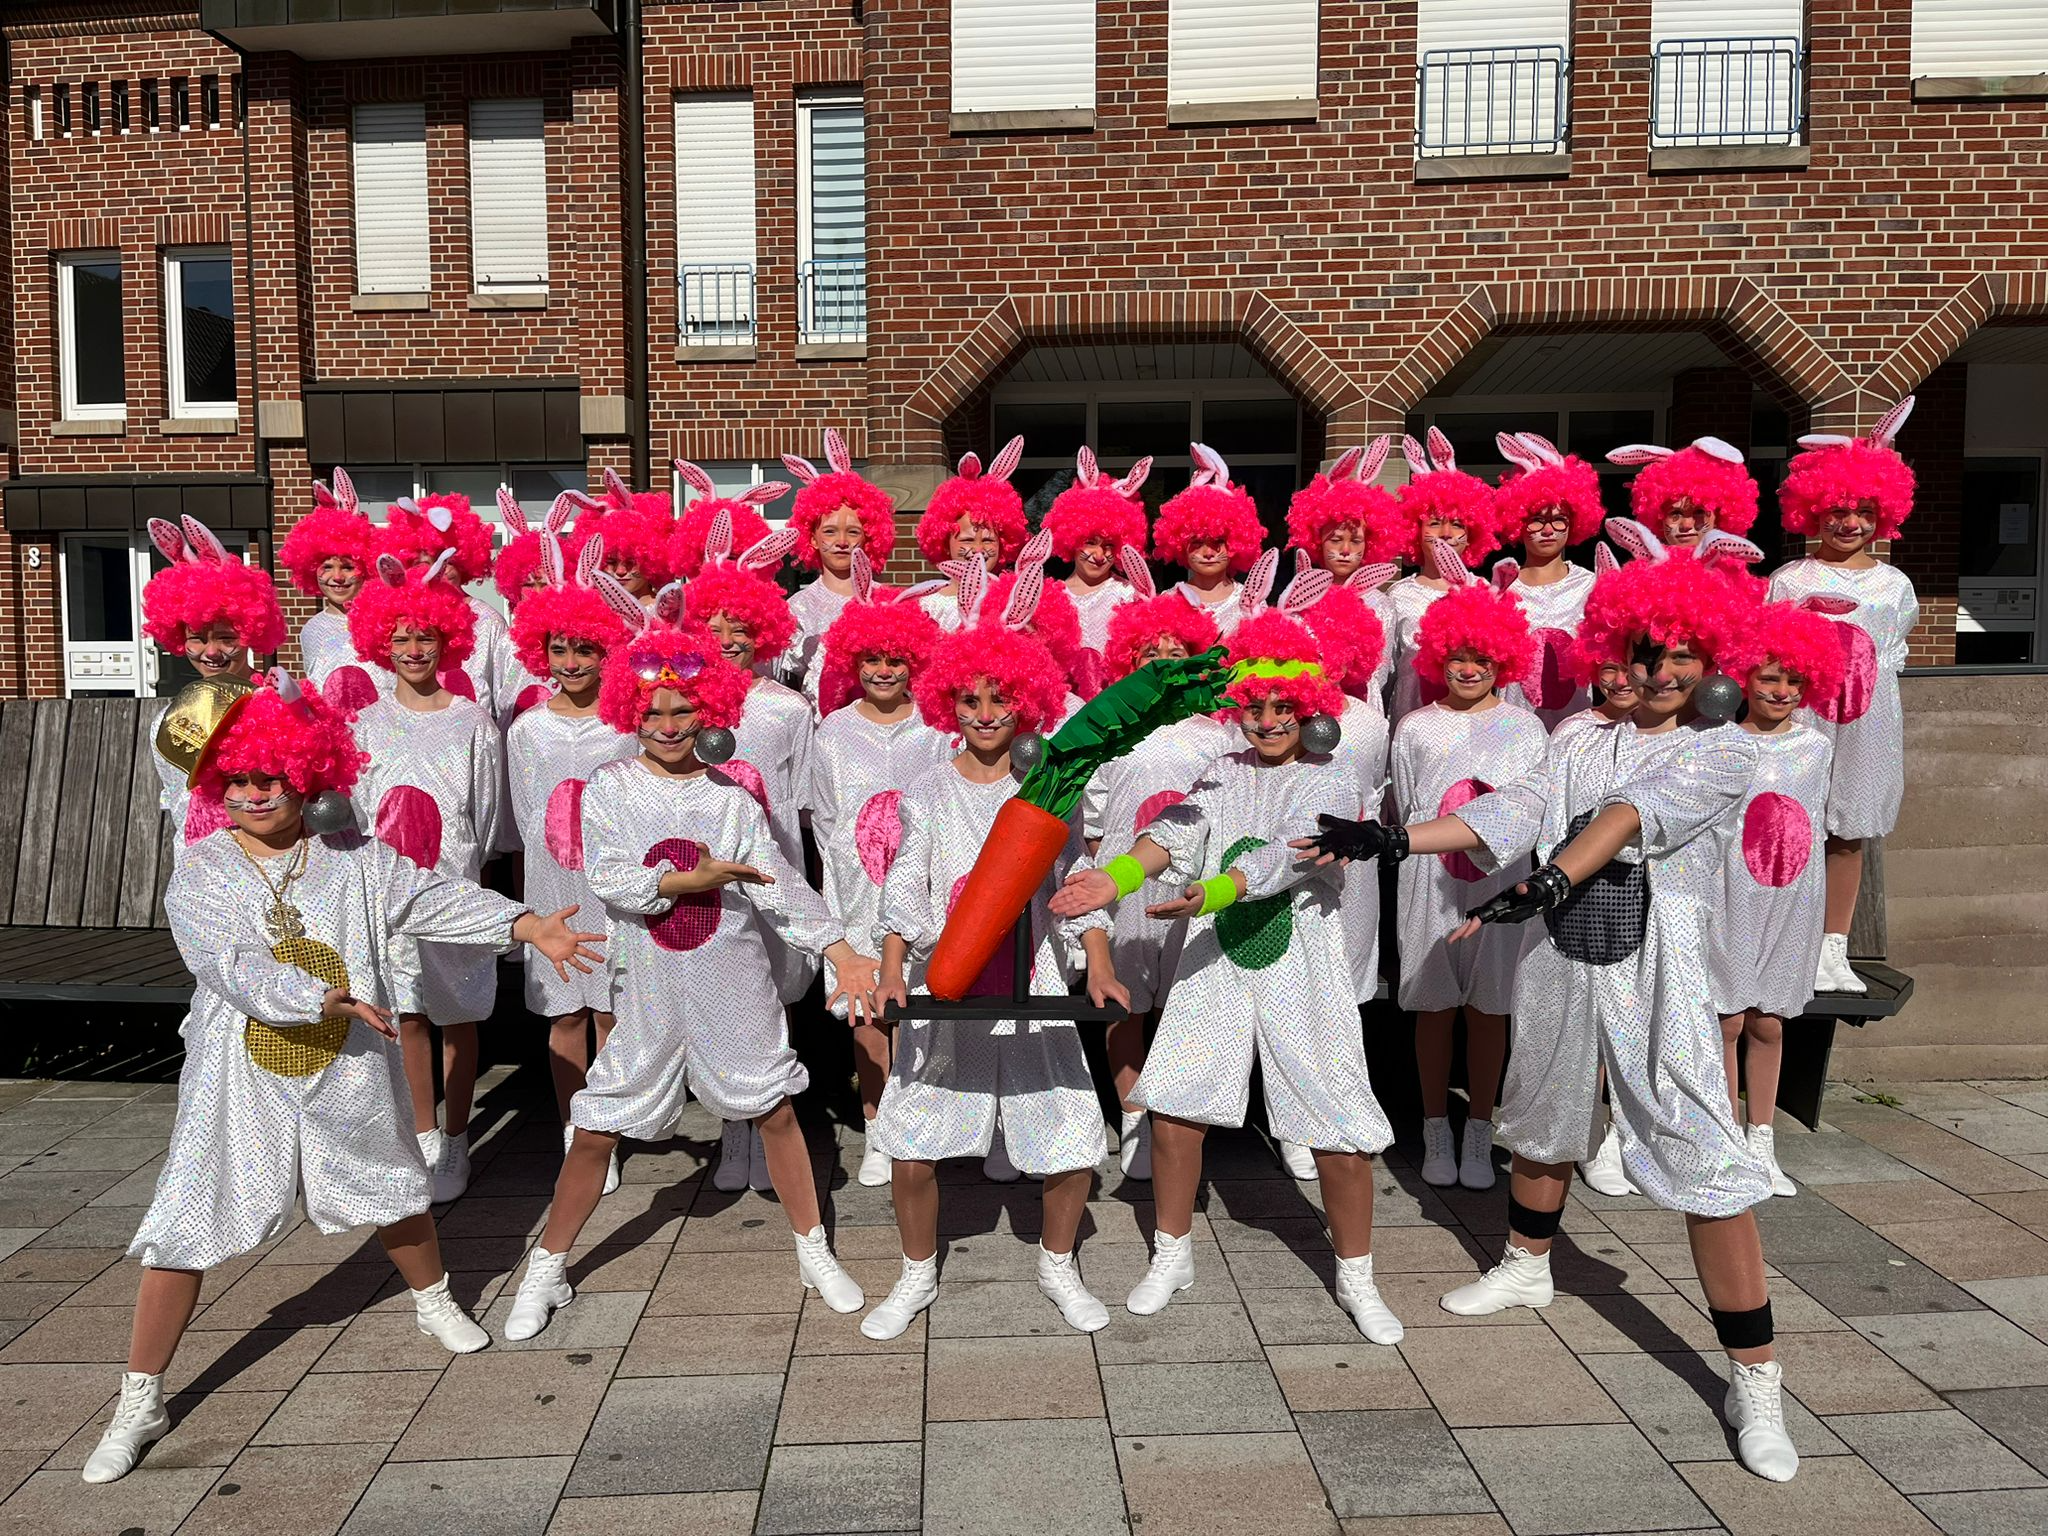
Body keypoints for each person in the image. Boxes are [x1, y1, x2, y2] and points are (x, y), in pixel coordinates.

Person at [1298, 516, 1800, 1483]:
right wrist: (1395, 841)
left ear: (1712, 661)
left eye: (1681, 655)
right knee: (1542, 1111)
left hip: (1660, 969)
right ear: (1621, 651)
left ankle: (1757, 1377)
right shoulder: (1577, 735)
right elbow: (1516, 808)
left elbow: (1628, 818)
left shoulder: (1724, 751)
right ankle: (1529, 1265)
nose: (1660, 671)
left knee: (1703, 1150)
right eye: (1646, 652)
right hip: (1560, 955)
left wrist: (1552, 878)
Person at [82, 671, 600, 1485]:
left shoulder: (354, 860)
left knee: (390, 1177)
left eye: (271, 777)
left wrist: (526, 923)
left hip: (351, 1056)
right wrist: (315, 996)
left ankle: (433, 1300)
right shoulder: (203, 869)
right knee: (187, 1217)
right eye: (237, 780)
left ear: (307, 774)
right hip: (239, 1070)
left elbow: (429, 897)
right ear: (217, 783)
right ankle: (140, 1398)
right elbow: (224, 963)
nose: (254, 794)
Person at [498, 581, 879, 1341]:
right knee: (598, 1124)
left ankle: (813, 1249)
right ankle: (548, 1265)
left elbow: (777, 882)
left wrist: (840, 949)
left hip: (732, 980)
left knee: (774, 1109)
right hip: (645, 986)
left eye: (682, 711)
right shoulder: (609, 788)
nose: (668, 725)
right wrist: (686, 881)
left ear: (710, 712)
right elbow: (609, 878)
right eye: (652, 713)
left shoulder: (732, 799)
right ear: (629, 715)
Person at [1055, 559, 1404, 1342]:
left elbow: (1293, 853)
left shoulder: (1336, 775)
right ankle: (1171, 1254)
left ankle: (1357, 1277)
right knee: (1176, 1108)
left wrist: (1213, 891)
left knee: (1339, 1124)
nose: (1269, 720)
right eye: (1256, 706)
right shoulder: (1220, 767)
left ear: (1309, 706)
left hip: (1303, 965)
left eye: (1284, 706)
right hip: (1213, 958)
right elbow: (1175, 833)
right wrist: (1113, 879)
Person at [862, 579, 1125, 1341]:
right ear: (948, 703)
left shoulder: (1048, 794)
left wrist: (1098, 963)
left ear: (1027, 703)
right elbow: (906, 882)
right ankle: (916, 1272)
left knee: (1070, 1135)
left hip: (1033, 982)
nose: (984, 713)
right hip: (946, 985)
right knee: (912, 1140)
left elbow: (1076, 885)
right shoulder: (926, 792)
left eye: (1000, 698)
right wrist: (890, 969)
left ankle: (1058, 1264)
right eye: (969, 699)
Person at [1391, 542, 1547, 1191]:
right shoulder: (1415, 728)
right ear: (1437, 657)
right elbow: (1408, 807)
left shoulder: (1526, 728)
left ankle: (1480, 1127)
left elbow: (1531, 811)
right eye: (1457, 656)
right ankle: (1435, 1128)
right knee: (1433, 1006)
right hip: (1427, 886)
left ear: (1502, 660)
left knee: (1490, 1009)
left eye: (1482, 658)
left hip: (1500, 884)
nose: (1469, 668)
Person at [347, 553, 502, 1201]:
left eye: (425, 636)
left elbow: (486, 817)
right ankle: (423, 1134)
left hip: (453, 885)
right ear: (380, 643)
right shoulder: (365, 723)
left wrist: (462, 872)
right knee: (406, 1012)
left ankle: (457, 1136)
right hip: (389, 891)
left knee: (458, 1012)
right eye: (401, 637)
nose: (413, 649)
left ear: (448, 640)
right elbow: (359, 813)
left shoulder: (473, 723)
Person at [1079, 570, 1231, 1181]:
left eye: (1177, 651)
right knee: (1126, 998)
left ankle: (1175, 1110)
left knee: (1186, 998)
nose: (1165, 660)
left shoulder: (1217, 731)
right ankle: (1133, 1111)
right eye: (1151, 652)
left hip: (1192, 882)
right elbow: (1093, 818)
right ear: (1129, 659)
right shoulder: (1112, 726)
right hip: (1126, 879)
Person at [1767, 398, 1921, 996]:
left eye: (1863, 511)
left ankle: (1834, 948)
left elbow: (1892, 653)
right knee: (1795, 824)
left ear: (1884, 514)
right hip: (1802, 718)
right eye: (1836, 509)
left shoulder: (1894, 584)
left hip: (1867, 723)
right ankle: (1791, 942)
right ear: (1812, 510)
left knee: (1849, 831)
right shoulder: (1789, 580)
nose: (1849, 522)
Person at [683, 514, 819, 1192]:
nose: (729, 640)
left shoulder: (788, 709)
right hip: (706, 875)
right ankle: (732, 1127)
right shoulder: (682, 703)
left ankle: (770, 1124)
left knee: (772, 993)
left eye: (741, 628)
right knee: (719, 994)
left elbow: (803, 799)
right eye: (715, 628)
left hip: (772, 869)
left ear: (763, 632)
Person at [809, 553, 954, 1186]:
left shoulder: (937, 729)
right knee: (866, 1010)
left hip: (925, 885)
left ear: (915, 661)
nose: (884, 670)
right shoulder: (833, 732)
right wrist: (842, 882)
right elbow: (825, 817)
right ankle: (877, 1126)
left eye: (896, 659)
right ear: (854, 662)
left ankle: (919, 1119)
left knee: (922, 1003)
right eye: (871, 659)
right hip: (856, 885)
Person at [506, 531, 635, 1193]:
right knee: (565, 1013)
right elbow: (523, 816)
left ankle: (605, 1126)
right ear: (542, 651)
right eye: (560, 648)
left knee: (611, 1010)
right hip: (553, 887)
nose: (573, 661)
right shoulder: (527, 729)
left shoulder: (626, 723)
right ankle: (570, 1124)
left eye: (586, 648)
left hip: (613, 888)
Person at [1711, 600, 1845, 1197]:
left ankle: (1761, 1140)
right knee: (1728, 1018)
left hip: (1792, 900)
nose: (1782, 691)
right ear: (1743, 675)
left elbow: (1817, 826)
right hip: (1730, 896)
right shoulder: (1720, 744)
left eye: (1794, 680)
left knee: (1769, 1021)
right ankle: (1724, 1136)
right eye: (1769, 677)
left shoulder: (1816, 748)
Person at [141, 516, 287, 856]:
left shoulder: (280, 702)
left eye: (226, 638)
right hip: (199, 861)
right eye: (197, 638)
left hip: (276, 858)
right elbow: (179, 803)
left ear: (251, 632)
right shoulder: (168, 721)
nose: (211, 652)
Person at [1384, 429, 1500, 724]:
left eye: (1458, 524)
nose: (1446, 534)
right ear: (1415, 530)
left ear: (1472, 533)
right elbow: (1388, 673)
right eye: (1435, 523)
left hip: (1471, 724)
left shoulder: (1485, 591)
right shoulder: (1398, 595)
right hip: (1411, 724)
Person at [780, 430, 902, 708]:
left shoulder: (890, 602)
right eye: (830, 531)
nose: (842, 542)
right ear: (812, 538)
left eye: (853, 532)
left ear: (870, 537)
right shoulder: (796, 608)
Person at [1491, 433, 1606, 727]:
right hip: (1513, 727)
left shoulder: (1590, 585)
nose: (1547, 530)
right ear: (1518, 522)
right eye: (1536, 520)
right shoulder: (1501, 586)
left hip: (1576, 725)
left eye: (1558, 520)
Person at [383, 491, 524, 725]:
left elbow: (504, 699)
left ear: (464, 562)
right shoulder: (395, 620)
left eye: (444, 560)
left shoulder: (488, 621)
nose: (433, 571)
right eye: (419, 562)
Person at [1286, 437, 1407, 702]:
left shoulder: (1380, 604)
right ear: (1317, 540)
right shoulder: (1301, 596)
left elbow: (1381, 673)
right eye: (1335, 539)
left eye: (1355, 541)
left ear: (1370, 544)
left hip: (1361, 705)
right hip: (1307, 703)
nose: (1344, 550)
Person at [1042, 447, 1153, 697]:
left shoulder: (1130, 593)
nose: (1099, 555)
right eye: (1090, 542)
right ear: (1071, 539)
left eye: (1109, 545)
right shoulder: (1050, 597)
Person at [279, 468, 380, 707]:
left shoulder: (384, 623)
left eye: (348, 567)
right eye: (326, 567)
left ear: (366, 567)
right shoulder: (311, 630)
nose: (337, 577)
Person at [1149, 442, 1265, 634]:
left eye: (1218, 541)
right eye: (1197, 542)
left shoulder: (1250, 603)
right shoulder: (1168, 602)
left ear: (1236, 543)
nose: (1208, 553)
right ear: (1180, 544)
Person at [915, 439, 1030, 630]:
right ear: (944, 542)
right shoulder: (924, 604)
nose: (978, 550)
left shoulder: (1014, 603)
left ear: (1003, 543)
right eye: (967, 540)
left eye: (988, 540)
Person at [1606, 436, 1762, 552]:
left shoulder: (1734, 578)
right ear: (1658, 518)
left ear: (1720, 517)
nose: (1686, 525)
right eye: (1675, 513)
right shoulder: (1641, 578)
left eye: (1699, 512)